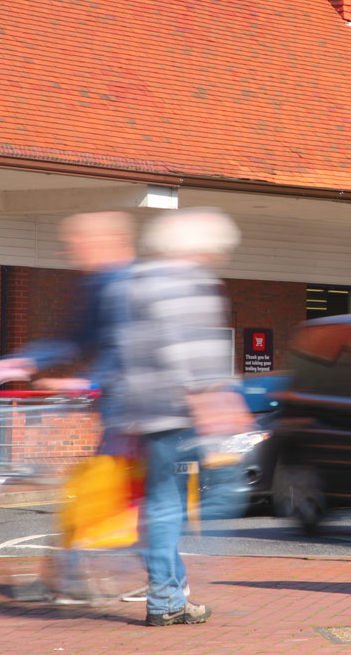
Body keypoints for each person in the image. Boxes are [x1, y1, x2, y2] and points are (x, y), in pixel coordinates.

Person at [0, 211, 140, 603]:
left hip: (138, 409)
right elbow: (73, 338)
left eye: (77, 243)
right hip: (119, 409)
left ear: (107, 242)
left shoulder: (126, 284)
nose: (69, 251)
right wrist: (17, 362)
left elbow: (128, 348)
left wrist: (88, 382)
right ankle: (75, 575)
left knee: (119, 494)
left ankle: (149, 579)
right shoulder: (100, 283)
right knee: (105, 491)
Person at [115, 207, 242, 627]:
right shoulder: (191, 283)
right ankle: (167, 595)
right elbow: (189, 348)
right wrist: (215, 400)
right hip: (180, 408)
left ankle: (167, 596)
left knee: (159, 505)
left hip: (145, 412)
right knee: (216, 494)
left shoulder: (137, 283)